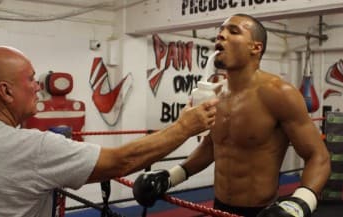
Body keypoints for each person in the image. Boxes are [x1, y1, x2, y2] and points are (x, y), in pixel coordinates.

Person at [133, 14, 331, 217]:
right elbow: (211, 147)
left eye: (233, 31)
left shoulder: (280, 94)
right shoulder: (216, 94)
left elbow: (319, 157)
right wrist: (169, 177)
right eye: (220, 31)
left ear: (256, 47)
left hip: (260, 212)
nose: (221, 35)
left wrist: (299, 204)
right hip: (219, 208)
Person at [0, 46, 219, 217]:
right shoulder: (31, 148)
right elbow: (119, 162)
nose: (37, 86)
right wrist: (185, 127)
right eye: (31, 79)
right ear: (6, 92)